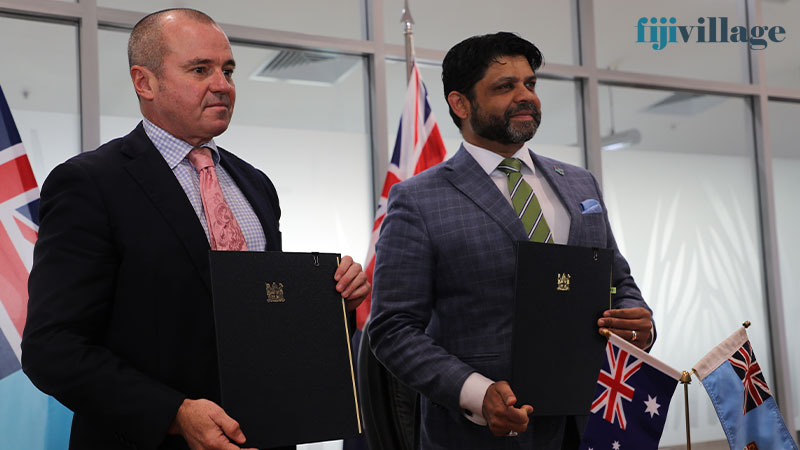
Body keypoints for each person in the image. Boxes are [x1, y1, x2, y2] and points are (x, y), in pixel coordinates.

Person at [21, 8, 369, 450]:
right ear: (145, 82)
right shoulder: (89, 184)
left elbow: (262, 320)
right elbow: (52, 348)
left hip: (265, 436)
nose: (223, 85)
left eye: (228, 70)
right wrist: (173, 413)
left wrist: (334, 304)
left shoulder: (256, 184)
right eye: (200, 69)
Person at [367, 32, 655, 449]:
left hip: (595, 423)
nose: (526, 96)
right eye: (505, 86)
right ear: (460, 104)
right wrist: (475, 392)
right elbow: (392, 328)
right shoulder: (419, 199)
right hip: (483, 434)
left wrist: (639, 321)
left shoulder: (580, 183)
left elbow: (618, 281)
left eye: (530, 83)